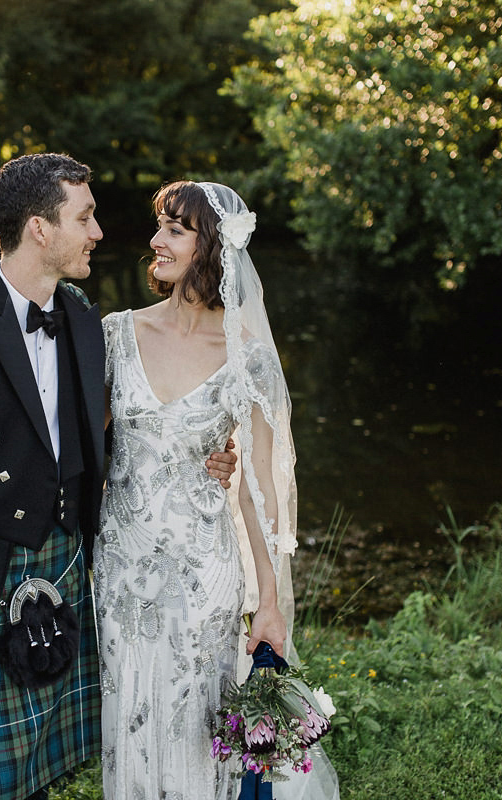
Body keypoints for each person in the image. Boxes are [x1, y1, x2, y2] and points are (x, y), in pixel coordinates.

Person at [0, 154, 235, 800]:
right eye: (84, 217)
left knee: (44, 771)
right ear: (40, 228)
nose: (98, 232)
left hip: (62, 565)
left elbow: (118, 425)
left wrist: (206, 448)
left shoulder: (85, 319)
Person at [94, 181, 338, 799]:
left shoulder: (246, 355)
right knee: (130, 723)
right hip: (120, 573)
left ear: (210, 249)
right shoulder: (115, 334)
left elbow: (259, 489)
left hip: (205, 576)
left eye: (175, 229)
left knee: (195, 733)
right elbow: (79, 452)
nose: (155, 241)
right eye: (159, 226)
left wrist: (272, 601)